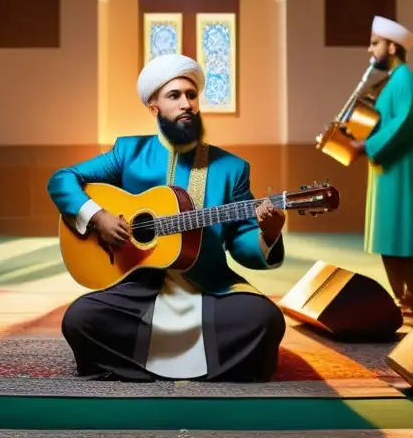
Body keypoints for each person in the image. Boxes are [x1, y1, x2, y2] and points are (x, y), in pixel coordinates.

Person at [47, 53, 287, 382]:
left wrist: (268, 235)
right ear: (154, 107)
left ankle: (133, 368)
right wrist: (97, 216)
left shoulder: (231, 168)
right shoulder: (128, 153)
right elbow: (62, 180)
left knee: (266, 319)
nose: (186, 104)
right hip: (138, 288)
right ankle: (214, 369)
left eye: (191, 95)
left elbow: (242, 245)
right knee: (79, 319)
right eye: (174, 96)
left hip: (209, 290)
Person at [353, 16, 413, 321]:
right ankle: (403, 298)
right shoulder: (388, 83)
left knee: (408, 238)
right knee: (390, 237)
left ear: (392, 46)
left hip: (403, 175)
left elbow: (403, 126)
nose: (370, 50)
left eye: (375, 43)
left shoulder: (408, 81)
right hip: (385, 172)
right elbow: (376, 124)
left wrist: (365, 147)